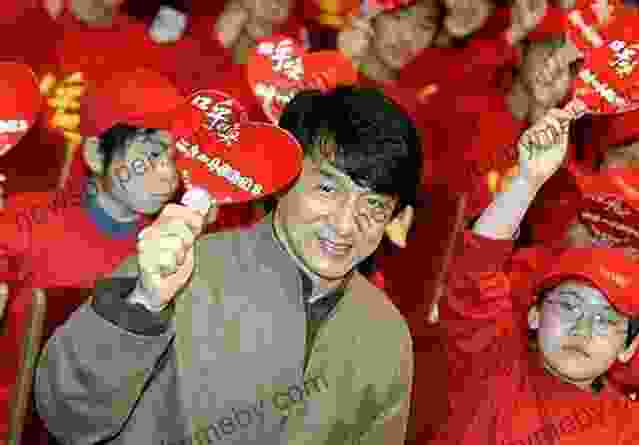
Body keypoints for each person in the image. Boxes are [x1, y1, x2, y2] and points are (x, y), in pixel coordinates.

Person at [35, 86, 420, 444]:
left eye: (374, 206)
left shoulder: (386, 335)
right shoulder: (183, 268)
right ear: (282, 180)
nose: (344, 223)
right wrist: (144, 303)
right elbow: (68, 417)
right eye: (327, 188)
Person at [428, 108, 639, 444]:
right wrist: (527, 182)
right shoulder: (491, 357)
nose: (582, 330)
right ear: (535, 313)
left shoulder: (633, 429)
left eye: (605, 319)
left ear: (629, 345)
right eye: (569, 306)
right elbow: (476, 268)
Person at [0, 68, 182, 290]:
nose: (169, 173)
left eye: (178, 157)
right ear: (95, 154)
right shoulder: (21, 224)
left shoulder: (165, 250)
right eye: (152, 153)